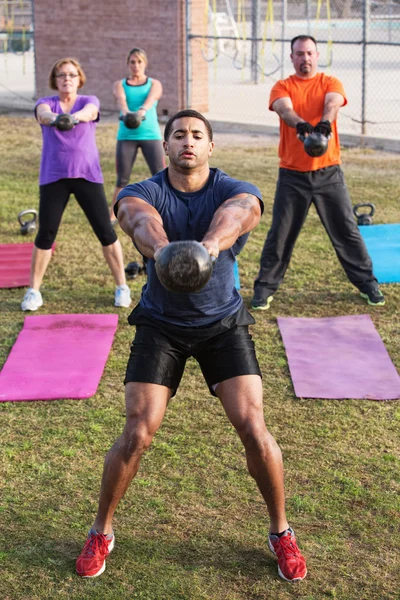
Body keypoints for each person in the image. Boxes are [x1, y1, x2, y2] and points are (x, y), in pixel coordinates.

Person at [76, 110, 307, 583]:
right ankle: (102, 529)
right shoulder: (144, 190)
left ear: (210, 146)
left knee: (254, 428)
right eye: (178, 134)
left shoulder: (231, 187)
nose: (188, 141)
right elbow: (137, 219)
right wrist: (162, 251)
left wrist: (209, 246)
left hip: (221, 323)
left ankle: (281, 531)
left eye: (197, 135)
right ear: (166, 146)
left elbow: (241, 213)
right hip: (161, 325)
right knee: (138, 432)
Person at [251, 35, 385, 311]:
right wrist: (301, 125)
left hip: (328, 174)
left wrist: (324, 122)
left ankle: (368, 284)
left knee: (347, 231)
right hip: (292, 175)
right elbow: (284, 108)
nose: (305, 58)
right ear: (292, 57)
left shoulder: (329, 83)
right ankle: (264, 289)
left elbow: (333, 103)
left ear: (317, 55)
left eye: (309, 53)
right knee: (280, 233)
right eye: (299, 54)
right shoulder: (282, 86)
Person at [20, 58, 131, 312]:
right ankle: (33, 291)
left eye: (71, 74)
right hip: (54, 177)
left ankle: (121, 286)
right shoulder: (46, 103)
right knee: (46, 234)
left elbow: (90, 113)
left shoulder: (88, 101)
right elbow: (43, 115)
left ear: (79, 78)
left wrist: (72, 118)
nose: (66, 79)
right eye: (61, 75)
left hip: (87, 175)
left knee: (105, 231)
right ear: (55, 80)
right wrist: (56, 118)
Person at [109, 47, 165, 222]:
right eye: (132, 62)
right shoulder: (119, 84)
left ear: (145, 63)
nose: (136, 65)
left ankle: (165, 208)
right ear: (128, 64)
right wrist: (126, 113)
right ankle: (112, 214)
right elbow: (122, 102)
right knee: (122, 178)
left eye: (139, 61)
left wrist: (141, 112)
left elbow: (150, 100)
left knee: (161, 175)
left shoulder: (154, 84)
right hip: (126, 136)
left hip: (150, 135)